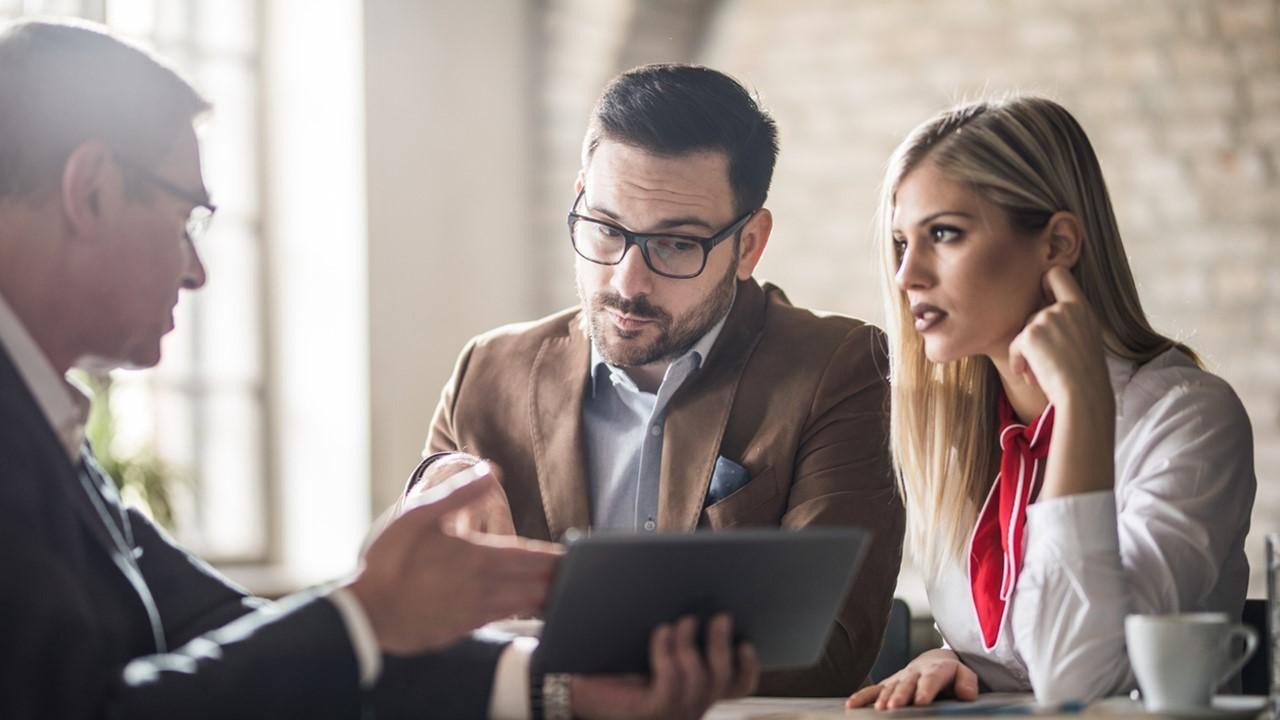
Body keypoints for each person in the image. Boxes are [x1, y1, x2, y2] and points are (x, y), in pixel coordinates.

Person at [0, 19, 756, 720]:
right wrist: (368, 611)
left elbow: (222, 629)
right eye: (185, 218)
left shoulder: (40, 416)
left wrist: (556, 690)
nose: (196, 270)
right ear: (91, 190)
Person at [410, 62, 905, 698]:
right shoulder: (488, 369)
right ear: (580, 196)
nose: (626, 281)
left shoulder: (843, 369)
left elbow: (828, 646)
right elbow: (417, 618)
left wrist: (563, 674)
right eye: (607, 229)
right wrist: (427, 487)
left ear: (749, 243)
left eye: (675, 245)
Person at [846, 96, 1256, 710]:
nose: (907, 276)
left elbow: (1077, 679)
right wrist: (959, 660)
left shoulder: (1188, 418)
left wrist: (1082, 405)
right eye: (902, 242)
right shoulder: (959, 433)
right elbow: (1026, 653)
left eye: (944, 234)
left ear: (1057, 243)